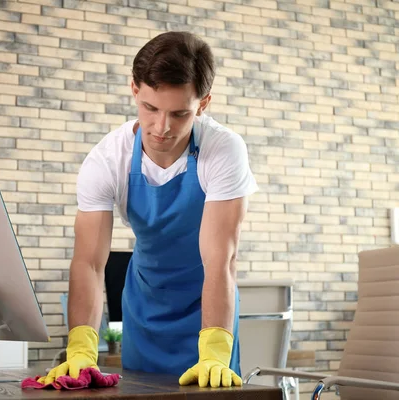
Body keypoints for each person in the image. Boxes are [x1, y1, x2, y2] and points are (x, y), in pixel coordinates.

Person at [39, 31, 258, 389]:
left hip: (209, 303)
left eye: (179, 114)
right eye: (151, 108)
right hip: (145, 305)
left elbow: (220, 261)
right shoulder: (108, 158)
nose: (161, 127)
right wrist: (81, 348)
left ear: (202, 104)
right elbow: (89, 263)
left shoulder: (223, 151)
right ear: (134, 90)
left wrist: (215, 350)